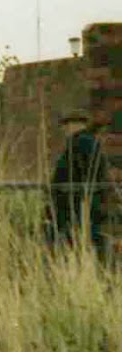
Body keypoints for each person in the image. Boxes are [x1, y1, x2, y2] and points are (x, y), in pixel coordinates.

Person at [47, 110, 111, 258]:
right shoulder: (86, 142)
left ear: (73, 125)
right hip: (80, 204)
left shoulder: (81, 143)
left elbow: (78, 175)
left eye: (66, 125)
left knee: (74, 244)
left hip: (76, 206)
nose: (64, 130)